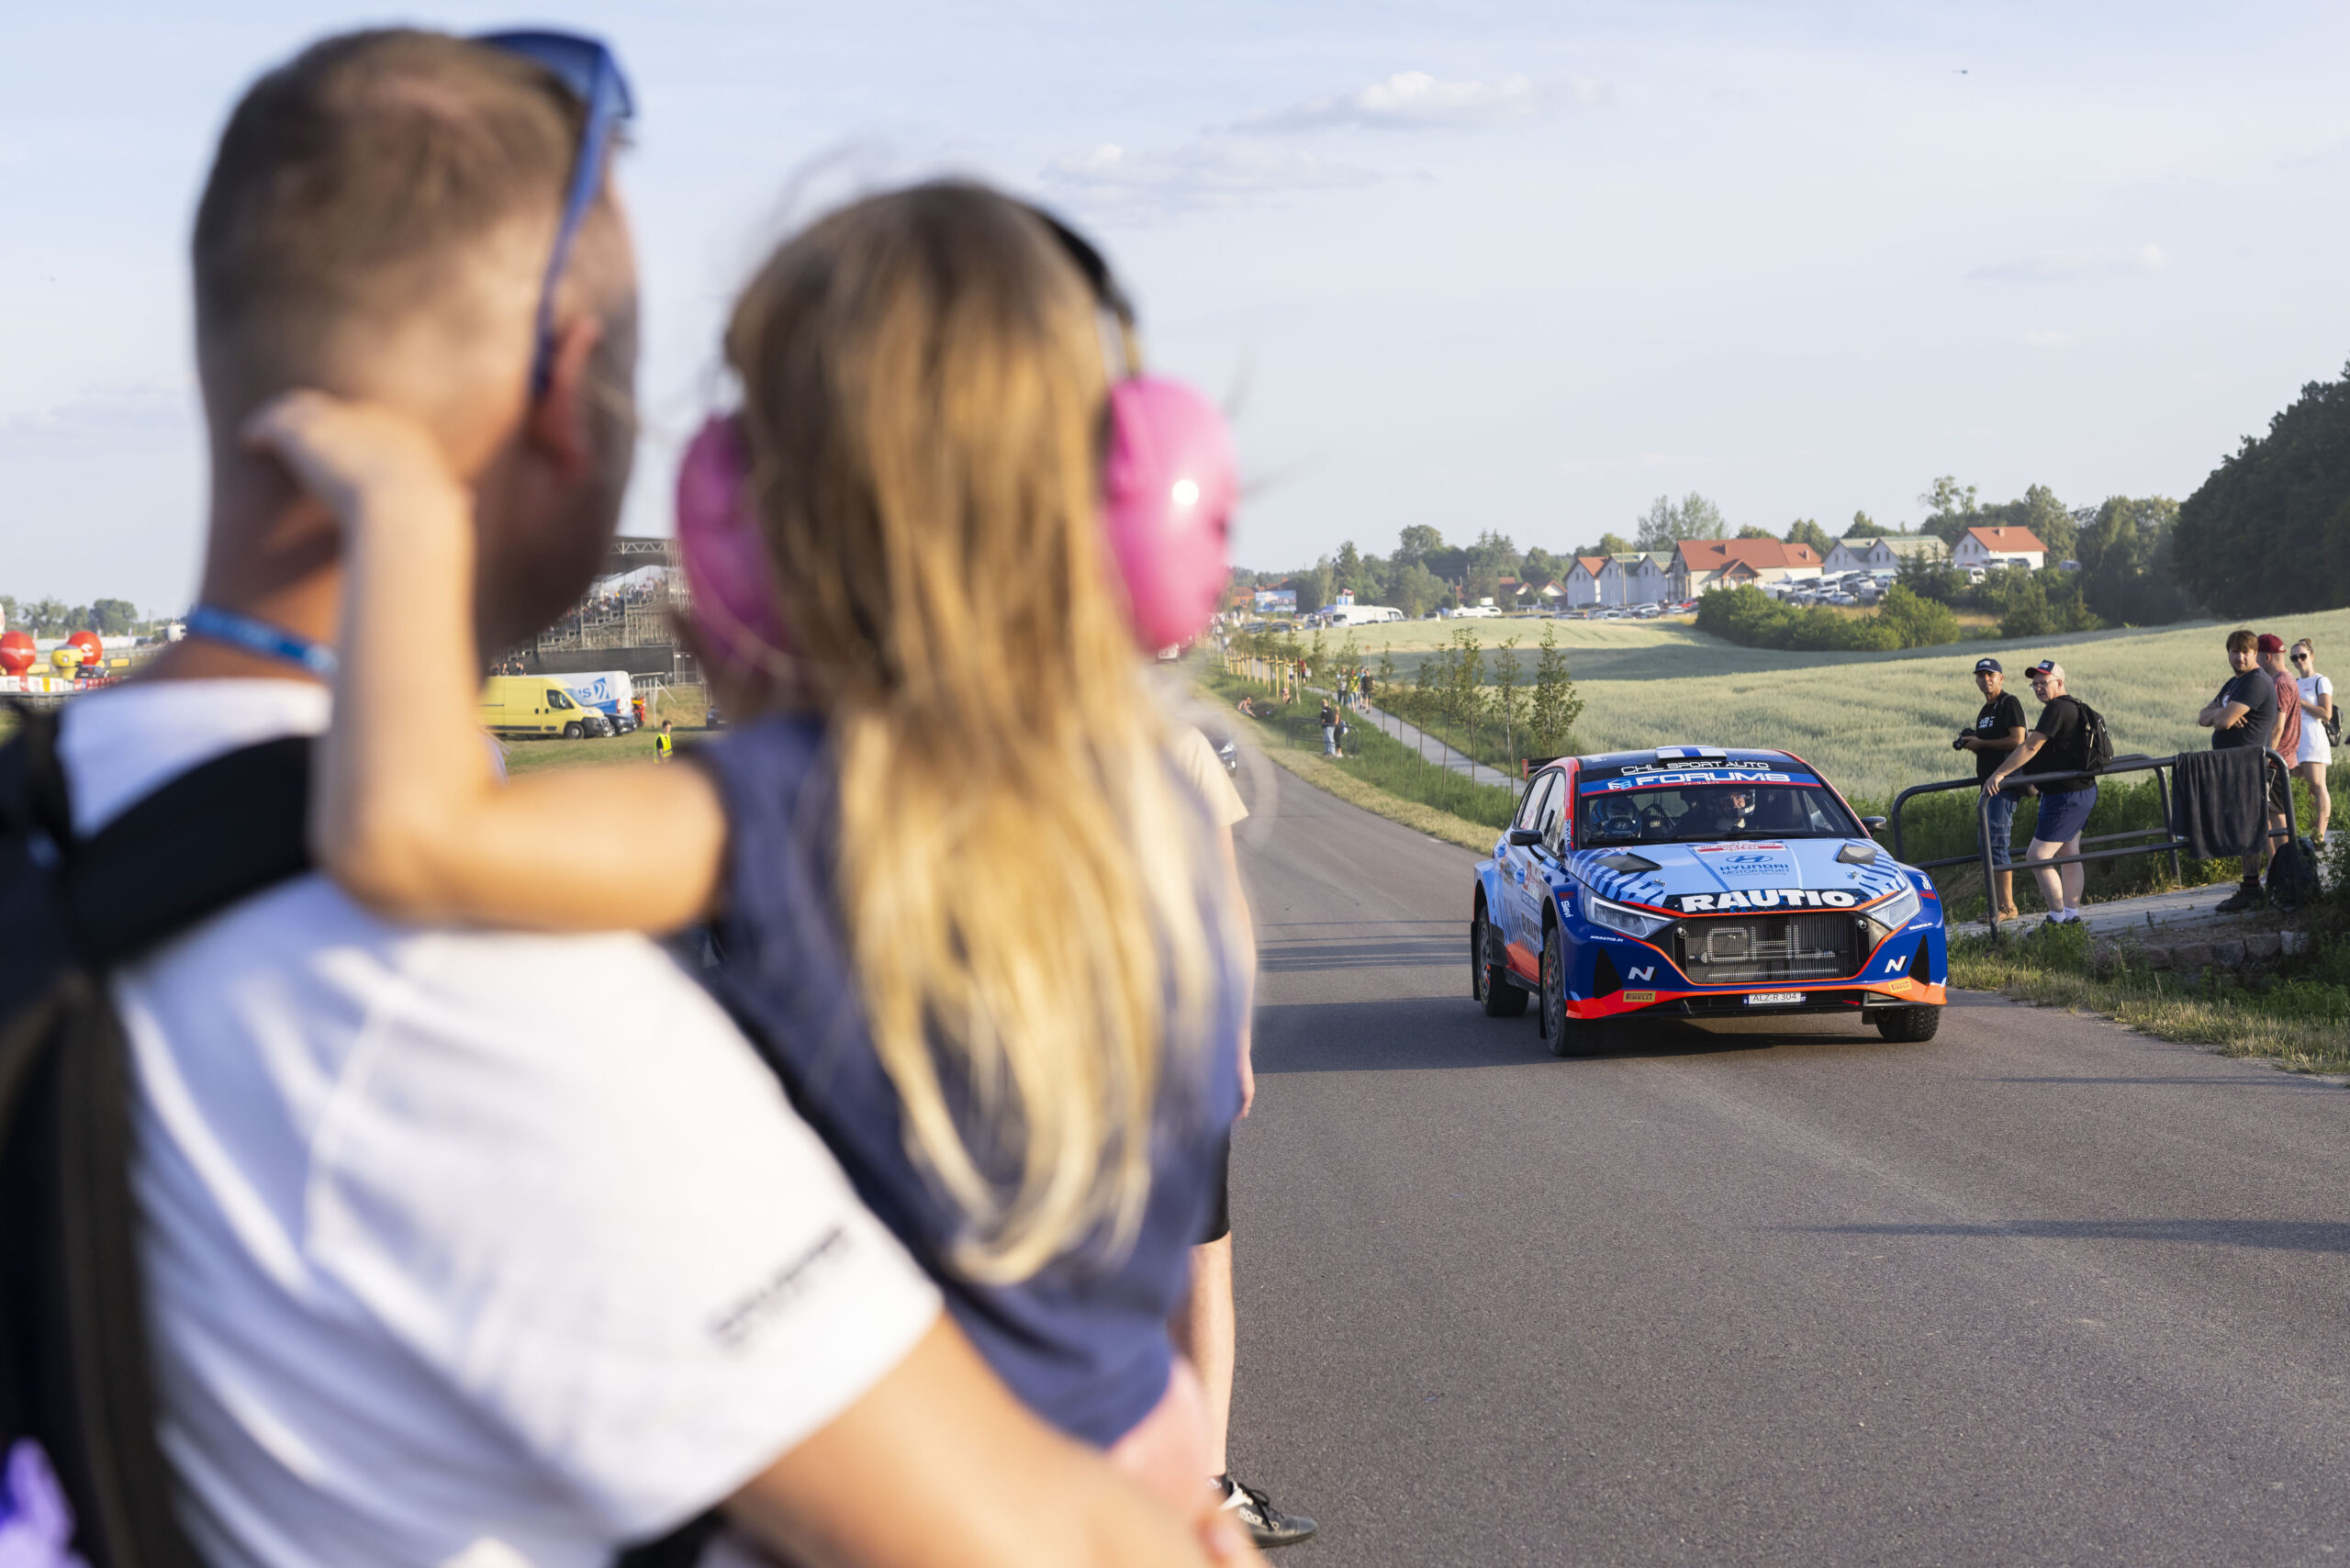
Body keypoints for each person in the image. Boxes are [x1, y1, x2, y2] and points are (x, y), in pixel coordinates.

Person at [96, 30, 1248, 1568]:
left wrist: (408, 514)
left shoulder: (782, 808)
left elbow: (411, 834)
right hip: (1136, 1447)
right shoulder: (1151, 811)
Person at [1167, 727, 1316, 1549]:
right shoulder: (1169, 741)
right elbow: (1223, 905)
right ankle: (1201, 1487)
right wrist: (1235, 1039)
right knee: (1199, 1257)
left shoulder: (971, 722)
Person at [1982, 659, 2098, 927]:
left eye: (2043, 683)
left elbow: (2031, 746)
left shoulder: (2057, 709)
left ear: (2059, 683)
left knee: (2037, 856)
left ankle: (2057, 919)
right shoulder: (2074, 706)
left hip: (2065, 796)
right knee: (2069, 852)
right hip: (2080, 790)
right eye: (2034, 684)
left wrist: (1999, 774)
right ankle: (2071, 917)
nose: (2037, 688)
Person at [2198, 627, 2282, 913]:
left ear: (2256, 653)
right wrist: (2220, 713)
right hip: (2233, 766)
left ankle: (2253, 889)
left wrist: (2221, 715)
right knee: (2244, 826)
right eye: (2235, 651)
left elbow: (2221, 723)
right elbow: (2203, 717)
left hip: (2248, 767)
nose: (2240, 657)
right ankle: (2252, 886)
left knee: (2249, 826)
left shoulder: (2255, 682)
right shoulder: (2234, 684)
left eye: (2246, 652)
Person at [1955, 656, 2029, 921]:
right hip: (1989, 786)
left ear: (2001, 678)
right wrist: (1973, 744)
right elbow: (1989, 745)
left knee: (1997, 844)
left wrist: (1982, 744)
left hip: (2005, 784)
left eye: (1990, 675)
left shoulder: (2009, 703)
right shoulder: (1985, 711)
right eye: (1980, 675)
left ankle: (2007, 907)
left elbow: (2018, 740)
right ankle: (1998, 906)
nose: (1985, 679)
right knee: (1987, 845)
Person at [2291, 637, 2333, 840]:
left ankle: (2320, 834)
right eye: (2294, 658)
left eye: (2302, 656)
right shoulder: (2294, 682)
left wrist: (2301, 702)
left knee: (2317, 785)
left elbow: (2326, 713)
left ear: (2312, 656)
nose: (2298, 661)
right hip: (2296, 737)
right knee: (2303, 788)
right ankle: (2309, 831)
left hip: (2313, 735)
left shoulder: (2320, 681)